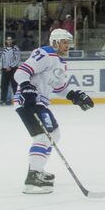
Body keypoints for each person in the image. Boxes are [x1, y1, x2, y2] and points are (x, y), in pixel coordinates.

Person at [13, 27, 95, 194]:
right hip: (28, 101)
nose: (67, 46)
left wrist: (74, 95)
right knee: (43, 137)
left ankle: (38, 170)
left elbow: (59, 87)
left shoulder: (61, 63)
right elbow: (21, 72)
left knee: (54, 135)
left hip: (40, 102)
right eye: (64, 42)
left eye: (68, 43)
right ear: (55, 42)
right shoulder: (45, 53)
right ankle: (33, 177)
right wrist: (26, 87)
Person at [0, 35, 22, 106]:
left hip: (13, 69)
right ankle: (3, 100)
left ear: (12, 40)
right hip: (5, 70)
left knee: (14, 85)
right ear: (6, 41)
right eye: (8, 40)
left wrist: (11, 66)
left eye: (10, 39)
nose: (9, 41)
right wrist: (1, 67)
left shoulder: (15, 48)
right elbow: (2, 59)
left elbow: (17, 59)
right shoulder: (4, 49)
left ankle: (17, 100)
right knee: (3, 85)